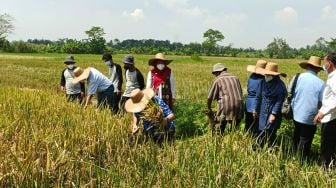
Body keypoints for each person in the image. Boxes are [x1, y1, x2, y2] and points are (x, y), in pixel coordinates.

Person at [290, 56, 324, 158]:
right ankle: (300, 161)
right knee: (305, 140)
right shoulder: (321, 83)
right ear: (318, 69)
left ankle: (293, 156)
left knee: (296, 136)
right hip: (310, 117)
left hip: (296, 113)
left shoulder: (297, 77)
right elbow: (321, 102)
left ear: (307, 66)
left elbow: (290, 91)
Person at [252, 62, 287, 147]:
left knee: (270, 132)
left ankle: (271, 149)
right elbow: (258, 97)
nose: (266, 76)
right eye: (266, 74)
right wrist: (255, 109)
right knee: (261, 130)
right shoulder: (262, 83)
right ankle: (260, 149)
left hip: (273, 111)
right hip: (263, 111)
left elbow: (279, 101)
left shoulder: (280, 85)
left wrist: (273, 114)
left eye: (269, 74)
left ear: (274, 75)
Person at [207, 63, 244, 135]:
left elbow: (209, 97)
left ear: (217, 72)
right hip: (240, 106)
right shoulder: (235, 78)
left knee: (219, 128)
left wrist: (209, 108)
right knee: (234, 129)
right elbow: (240, 92)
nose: (215, 75)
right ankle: (233, 141)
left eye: (215, 73)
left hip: (226, 107)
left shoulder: (218, 80)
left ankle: (218, 141)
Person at [314, 52, 336, 167]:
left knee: (327, 146)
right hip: (330, 116)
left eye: (325, 62)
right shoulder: (332, 76)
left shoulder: (335, 78)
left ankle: (326, 170)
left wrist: (322, 112)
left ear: (330, 63)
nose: (324, 64)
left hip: (331, 118)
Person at [245, 60, 267, 136]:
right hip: (257, 104)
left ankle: (246, 141)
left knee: (248, 124)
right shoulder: (263, 80)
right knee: (256, 126)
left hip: (248, 103)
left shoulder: (251, 77)